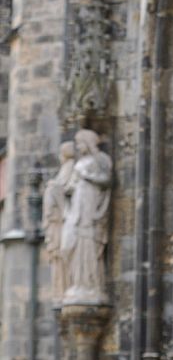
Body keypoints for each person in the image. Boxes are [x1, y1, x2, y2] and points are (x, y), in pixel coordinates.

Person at [61, 129, 112, 304]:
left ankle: (90, 283)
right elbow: (69, 184)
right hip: (77, 208)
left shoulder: (101, 160)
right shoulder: (79, 163)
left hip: (90, 207)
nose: (78, 146)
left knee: (87, 242)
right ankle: (79, 283)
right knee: (71, 244)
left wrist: (87, 176)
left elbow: (106, 180)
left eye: (81, 142)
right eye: (77, 143)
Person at [43, 141, 75, 304]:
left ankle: (63, 289)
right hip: (57, 222)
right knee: (58, 256)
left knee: (61, 255)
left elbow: (64, 191)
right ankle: (61, 290)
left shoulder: (71, 169)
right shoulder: (66, 170)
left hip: (61, 222)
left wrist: (53, 189)